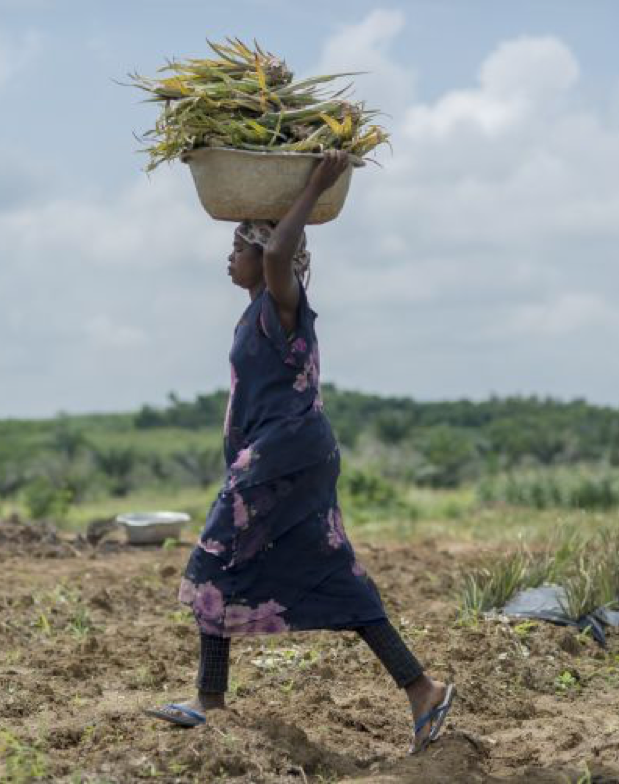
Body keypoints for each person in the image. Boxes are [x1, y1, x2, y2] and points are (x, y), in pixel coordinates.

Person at [144, 150, 455, 754]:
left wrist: (315, 185)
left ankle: (209, 700)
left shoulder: (282, 304)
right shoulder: (256, 313)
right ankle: (422, 689)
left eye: (239, 246)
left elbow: (284, 252)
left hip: (284, 457)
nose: (228, 257)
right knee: (330, 569)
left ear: (265, 256)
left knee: (214, 558)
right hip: (288, 454)